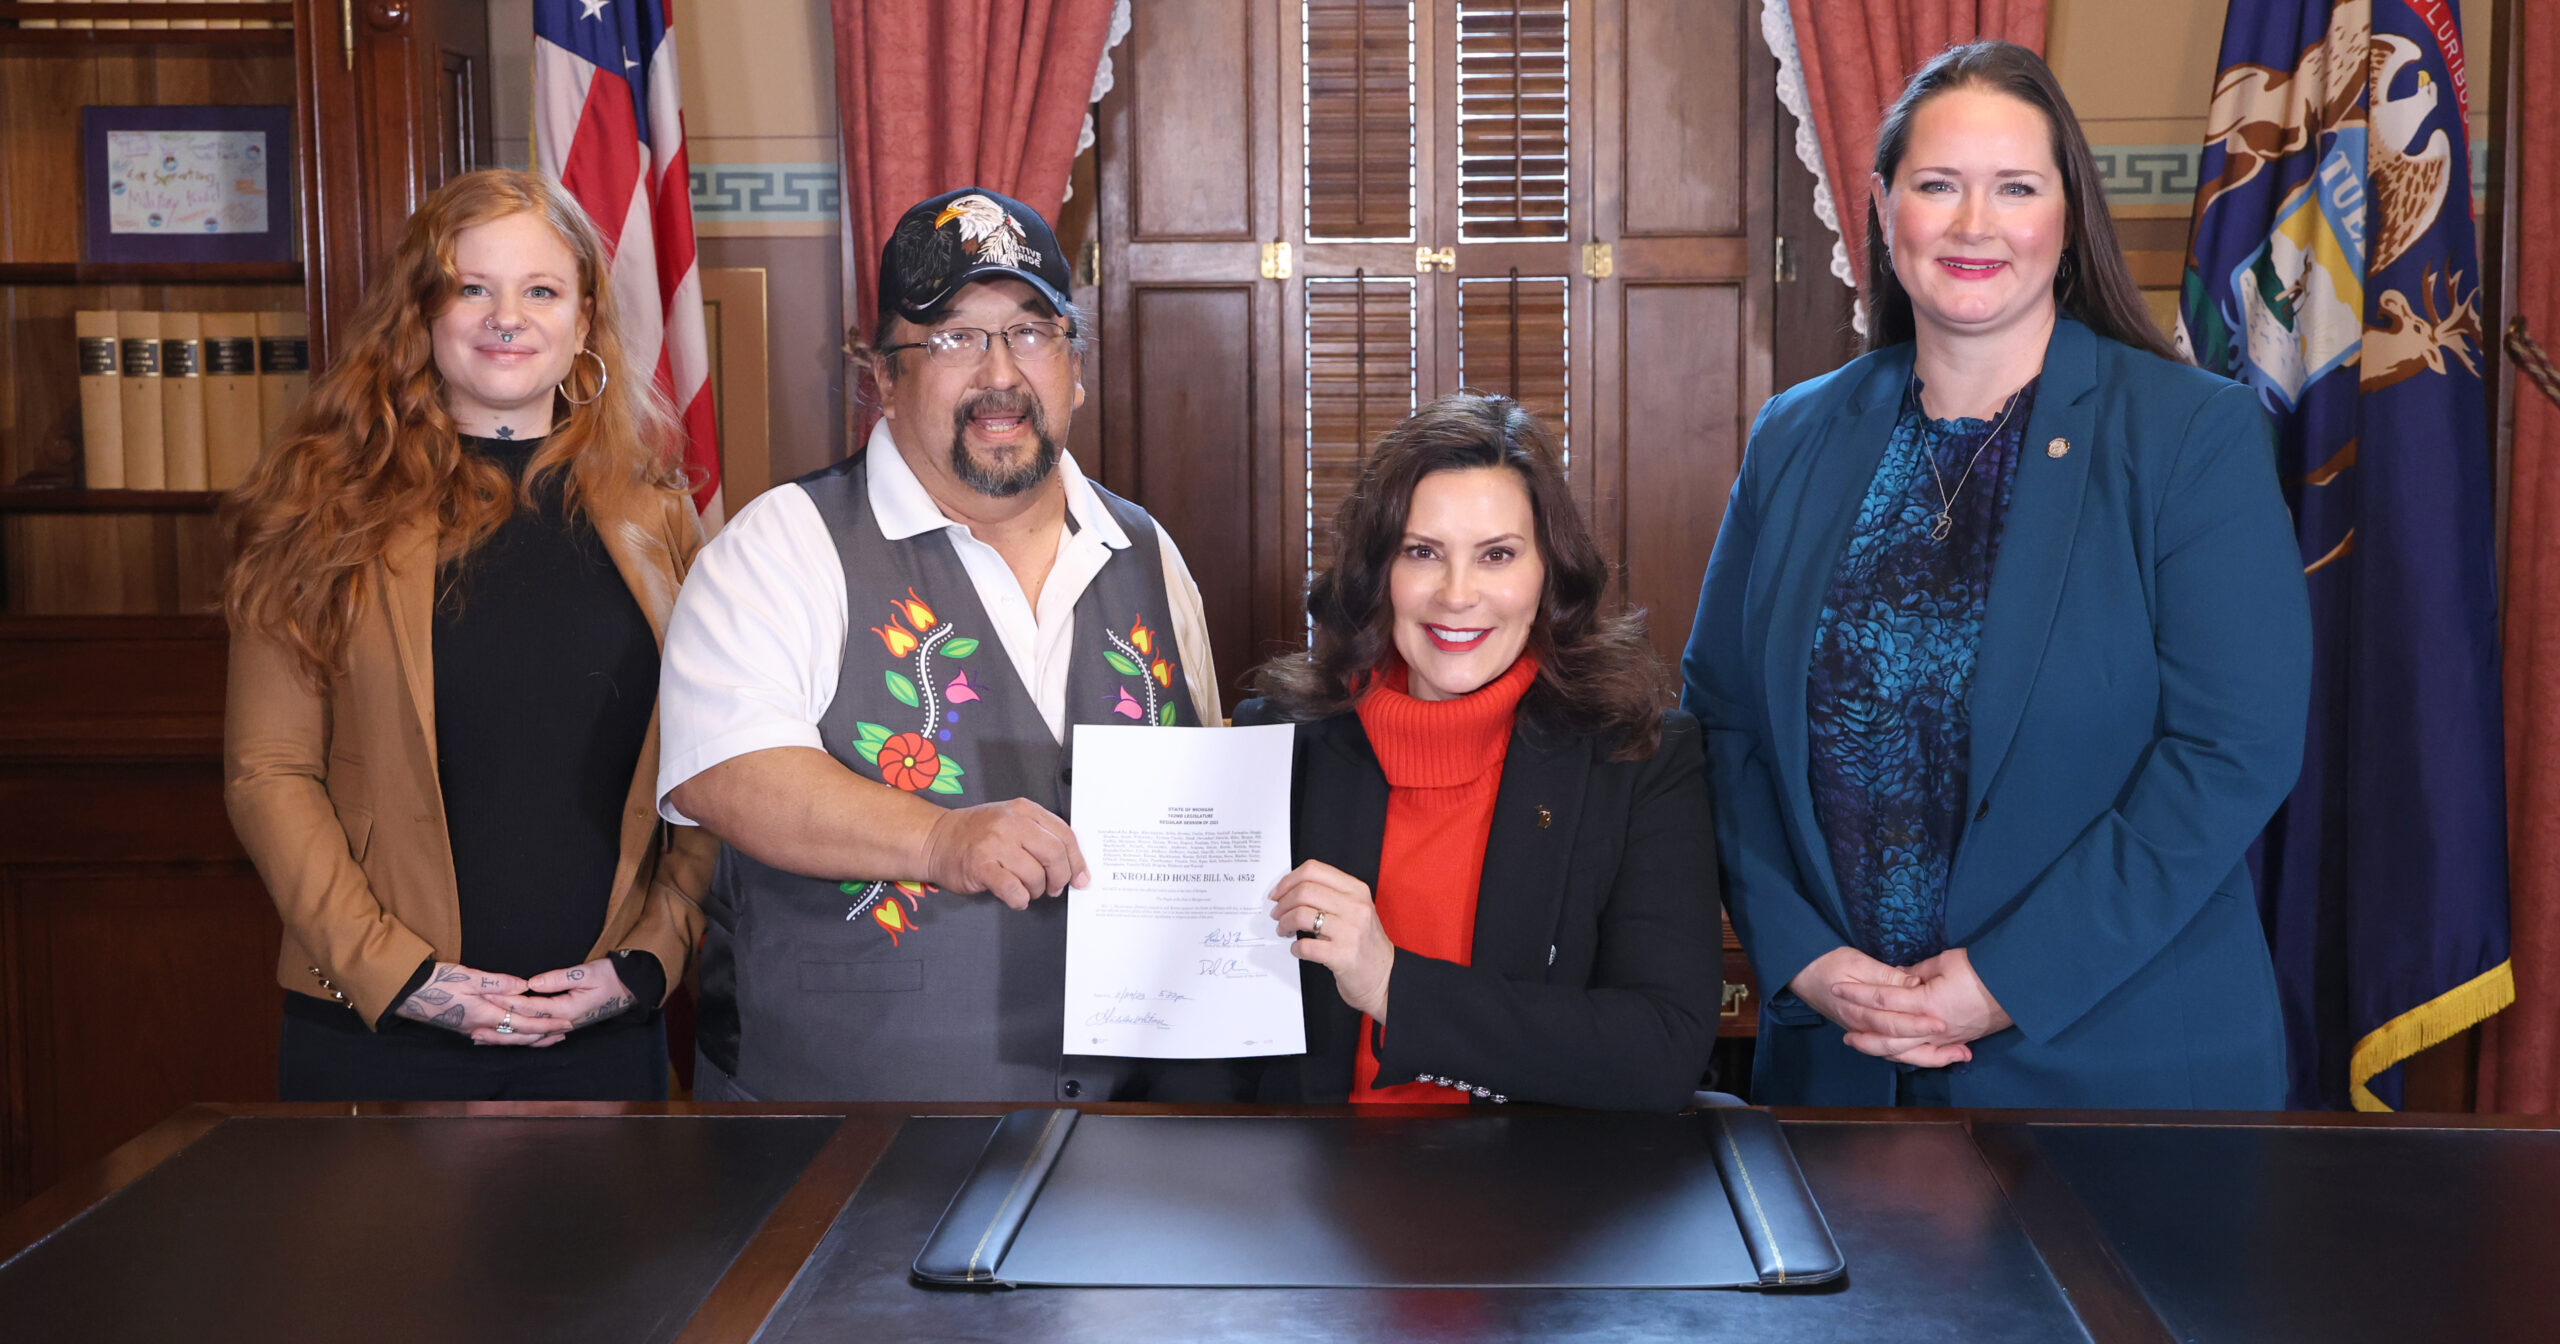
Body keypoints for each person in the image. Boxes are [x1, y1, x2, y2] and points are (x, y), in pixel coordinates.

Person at [1682, 41, 2311, 1109]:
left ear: (2066, 216)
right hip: (1843, 1063)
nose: (1974, 225)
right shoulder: (1794, 435)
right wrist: (1799, 958)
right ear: (1884, 210)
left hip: (2115, 1073)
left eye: (2014, 188)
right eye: (1937, 185)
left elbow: (2230, 751)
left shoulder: (2184, 434)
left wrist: (2001, 982)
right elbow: (1720, 724)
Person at [658, 186, 1222, 1102]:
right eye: (955, 338)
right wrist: (937, 838)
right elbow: (720, 772)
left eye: (1032, 333)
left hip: (1123, 1140)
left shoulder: (1149, 552)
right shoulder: (782, 543)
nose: (1000, 375)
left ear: (1074, 366)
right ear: (881, 375)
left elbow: (1204, 790)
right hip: (834, 1140)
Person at [223, 169, 715, 1101]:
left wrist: (650, 960)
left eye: (541, 290)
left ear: (582, 325)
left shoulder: (661, 519)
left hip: (603, 1031)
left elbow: (715, 766)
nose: (507, 317)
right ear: (422, 312)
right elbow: (268, 772)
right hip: (379, 1031)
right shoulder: (317, 511)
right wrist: (399, 977)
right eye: (471, 287)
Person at [1214, 393, 1720, 1111]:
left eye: (1497, 556)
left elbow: (1662, 1049)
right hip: (1306, 1196)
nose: (1457, 595)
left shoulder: (1641, 759)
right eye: (1422, 553)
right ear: (1378, 570)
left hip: (1540, 1199)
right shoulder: (1276, 744)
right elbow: (1209, 1042)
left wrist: (1395, 985)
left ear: (1549, 572)